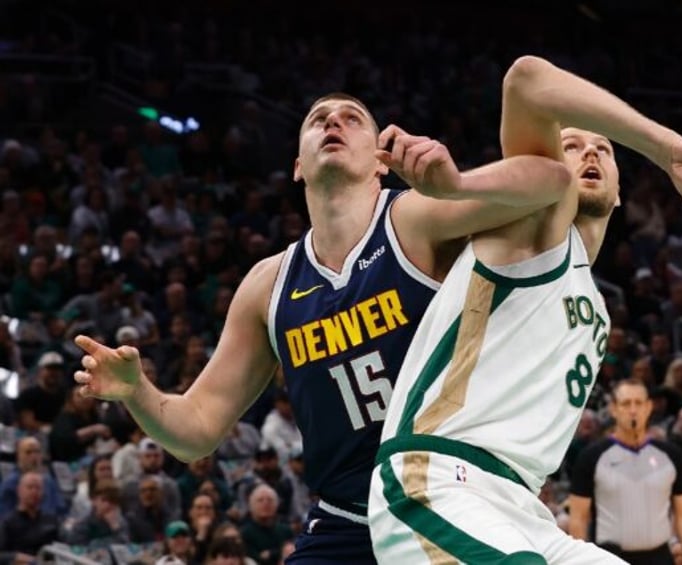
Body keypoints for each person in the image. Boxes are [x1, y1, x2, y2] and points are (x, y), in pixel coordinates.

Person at [73, 90, 583, 564]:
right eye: (318, 120)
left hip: (446, 499)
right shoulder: (267, 285)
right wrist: (138, 392)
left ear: (381, 162)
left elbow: (547, 185)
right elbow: (197, 431)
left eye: (351, 118)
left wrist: (456, 184)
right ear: (298, 166)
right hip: (345, 519)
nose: (332, 121)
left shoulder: (413, 219)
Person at [368, 55, 682, 563]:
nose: (588, 154)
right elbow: (527, 80)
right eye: (572, 145)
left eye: (603, 148)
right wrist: (667, 148)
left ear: (621, 191)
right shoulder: (534, 227)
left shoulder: (593, 302)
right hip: (439, 482)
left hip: (521, 509)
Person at [568, 379, 682, 564]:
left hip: (660, 557)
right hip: (610, 558)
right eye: (626, 403)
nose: (633, 410)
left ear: (648, 407)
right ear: (613, 408)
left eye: (638, 403)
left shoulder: (671, 456)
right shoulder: (591, 457)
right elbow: (578, 519)